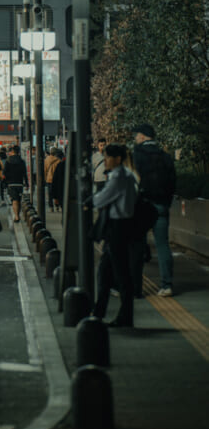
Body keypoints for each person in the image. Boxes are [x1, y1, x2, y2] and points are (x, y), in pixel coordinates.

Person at [91, 143, 137, 327]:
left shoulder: (119, 177)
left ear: (117, 159)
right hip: (118, 229)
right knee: (105, 272)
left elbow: (102, 198)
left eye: (108, 157)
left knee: (120, 275)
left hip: (118, 228)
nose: (105, 161)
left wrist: (89, 199)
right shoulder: (126, 175)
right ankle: (99, 312)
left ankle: (123, 317)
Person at [133, 123, 176, 297]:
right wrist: (166, 202)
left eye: (136, 135)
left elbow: (132, 181)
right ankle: (166, 285)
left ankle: (136, 288)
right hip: (161, 205)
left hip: (142, 205)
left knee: (137, 245)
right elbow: (173, 182)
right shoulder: (165, 157)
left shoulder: (136, 155)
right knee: (163, 245)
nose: (135, 138)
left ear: (143, 136)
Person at [2, 145, 28, 222]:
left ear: (12, 151)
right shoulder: (22, 161)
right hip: (19, 183)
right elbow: (24, 173)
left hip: (11, 183)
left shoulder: (8, 161)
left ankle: (16, 216)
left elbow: (5, 173)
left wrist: (5, 183)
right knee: (18, 200)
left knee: (14, 200)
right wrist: (26, 183)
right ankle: (18, 214)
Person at [44, 147, 61, 212]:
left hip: (49, 179)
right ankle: (57, 206)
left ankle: (51, 207)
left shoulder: (46, 160)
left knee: (50, 193)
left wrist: (45, 178)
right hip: (56, 179)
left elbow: (45, 170)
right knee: (56, 193)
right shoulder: (58, 160)